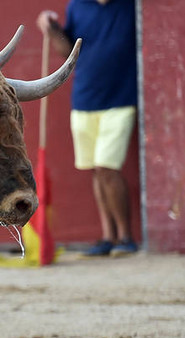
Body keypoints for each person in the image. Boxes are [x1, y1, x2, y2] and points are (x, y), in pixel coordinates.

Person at [37, 0, 138, 256]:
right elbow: (69, 51)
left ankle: (126, 237)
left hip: (121, 99)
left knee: (107, 167)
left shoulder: (131, 5)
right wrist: (52, 29)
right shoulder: (77, 6)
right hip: (85, 99)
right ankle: (109, 236)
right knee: (96, 169)